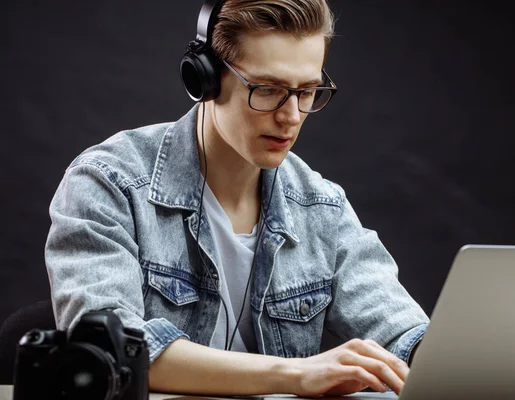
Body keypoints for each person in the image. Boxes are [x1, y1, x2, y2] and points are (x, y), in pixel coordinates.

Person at [45, 0, 429, 396]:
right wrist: (297, 375)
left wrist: (444, 356)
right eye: (268, 90)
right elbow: (112, 351)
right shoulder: (109, 182)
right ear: (205, 79)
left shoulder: (322, 207)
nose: (291, 116)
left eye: (308, 91)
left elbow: (403, 333)